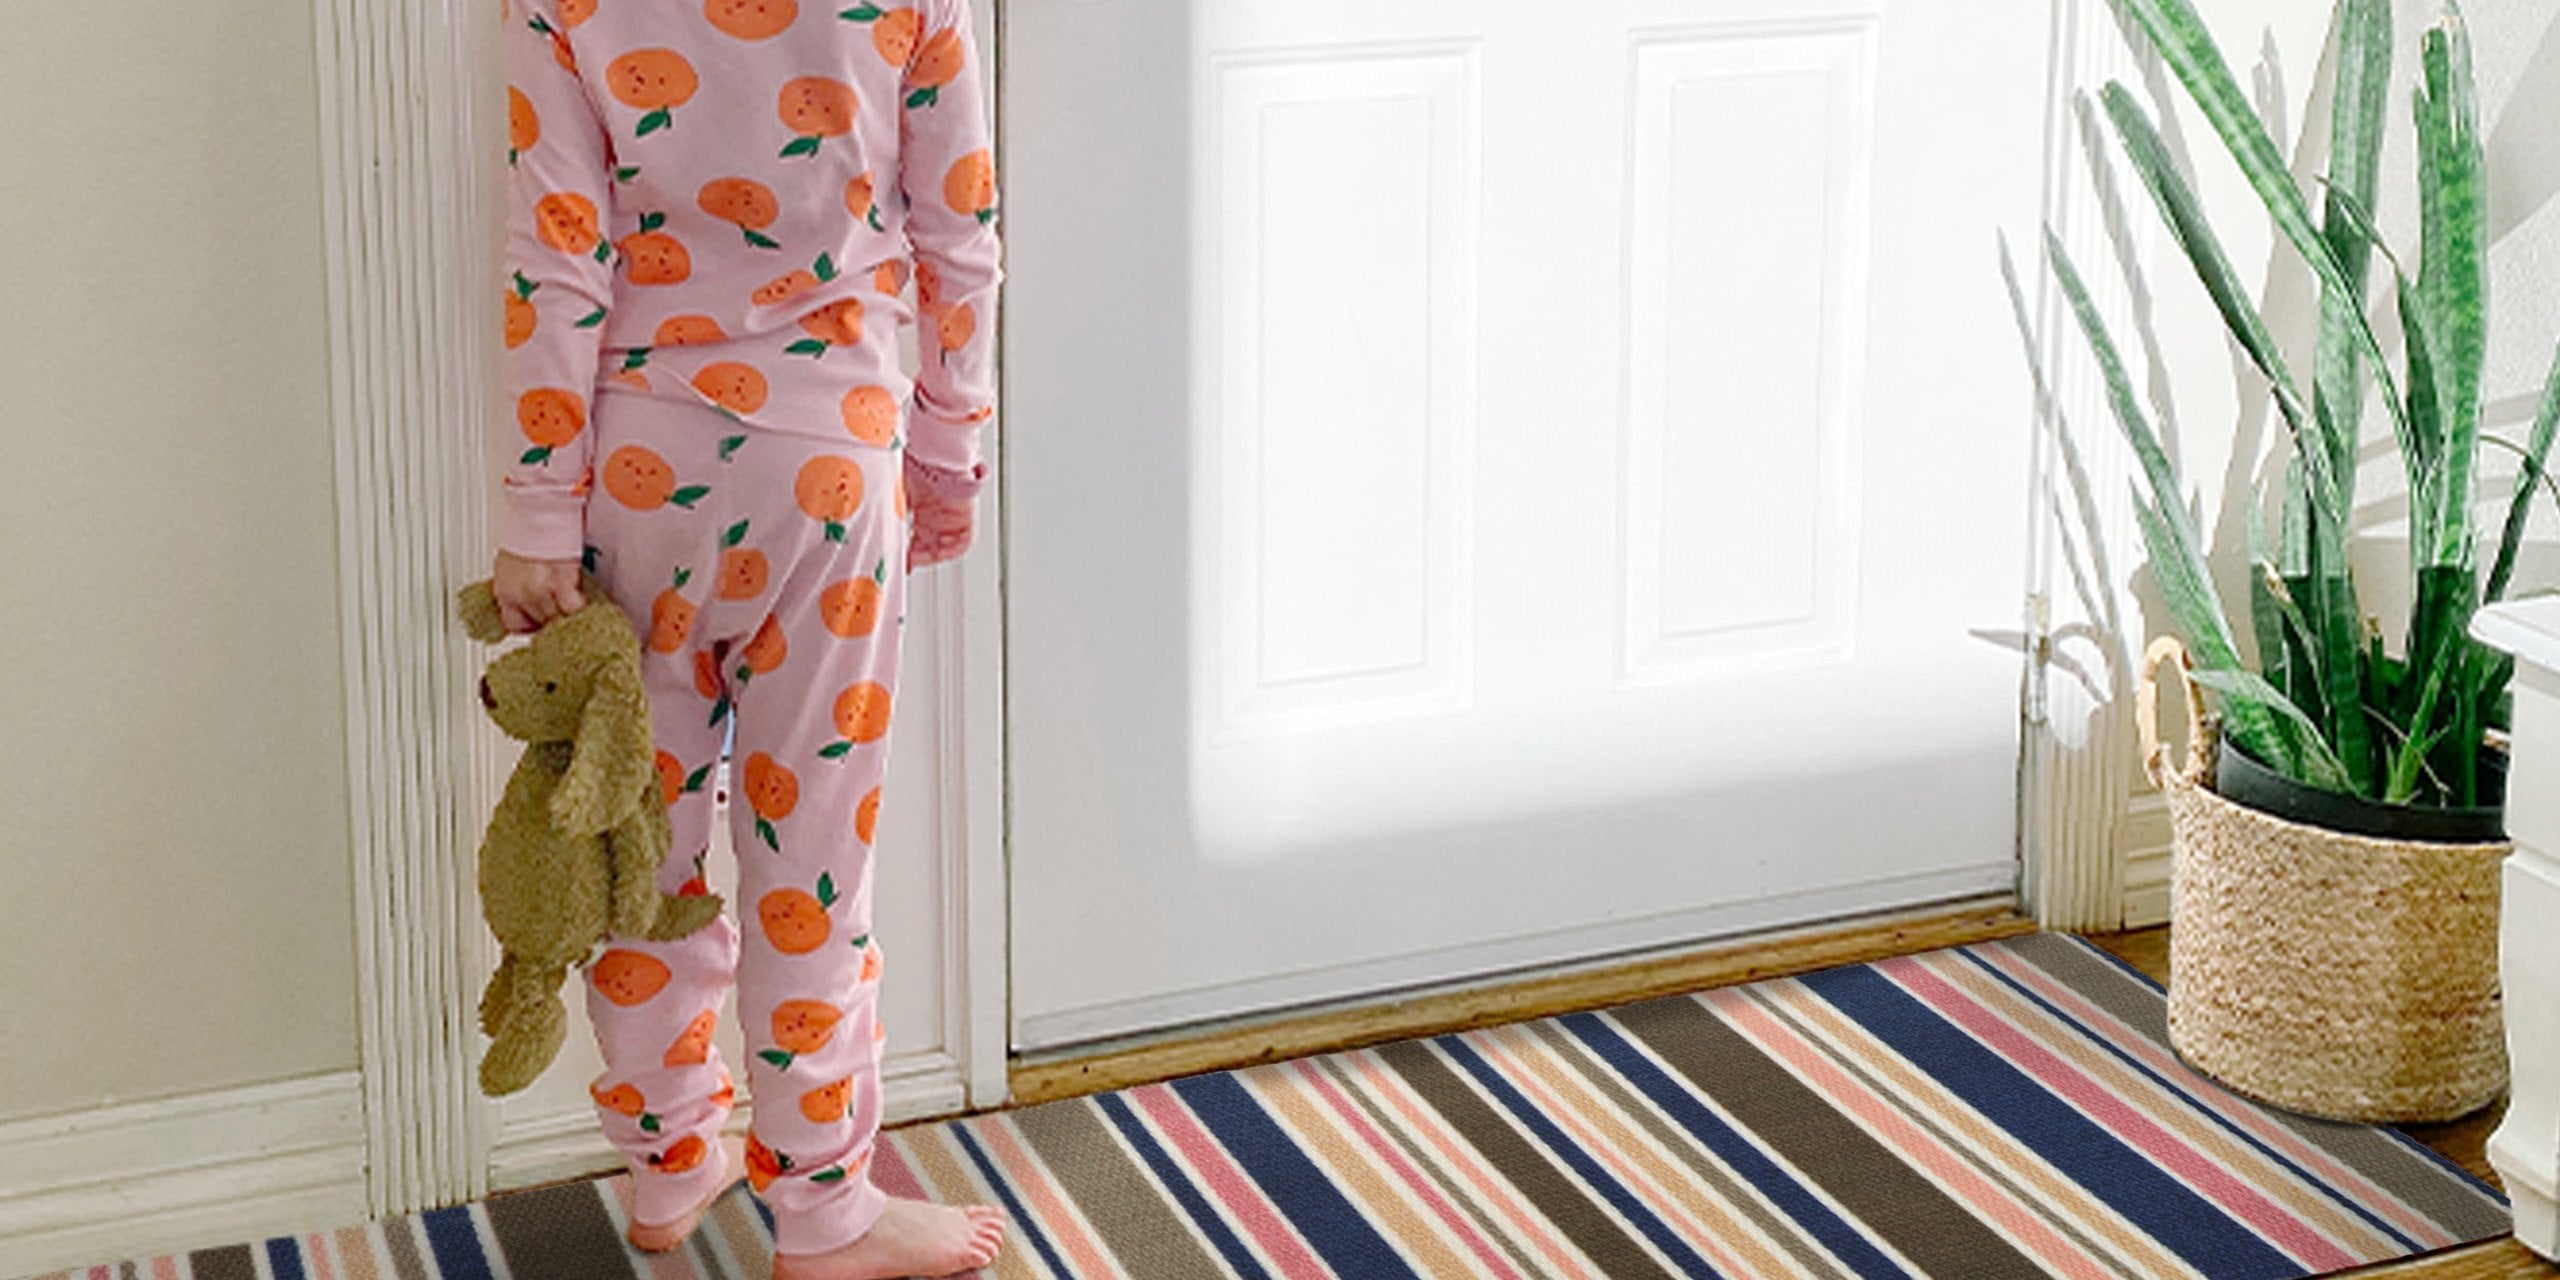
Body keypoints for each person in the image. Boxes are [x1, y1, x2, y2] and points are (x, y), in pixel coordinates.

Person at [488, 0, 1004, 1274]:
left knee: (639, 840)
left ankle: (668, 1159)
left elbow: (555, 249)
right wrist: (949, 449)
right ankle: (826, 1210)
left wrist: (539, 510)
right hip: (829, 463)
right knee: (813, 858)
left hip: (639, 469)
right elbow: (961, 237)